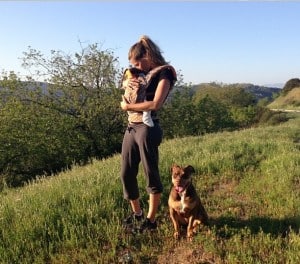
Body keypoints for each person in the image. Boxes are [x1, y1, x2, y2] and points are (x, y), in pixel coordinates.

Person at [120, 35, 177, 232]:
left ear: (148, 55)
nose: (135, 66)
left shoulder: (164, 74)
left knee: (150, 174)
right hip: (131, 127)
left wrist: (127, 106)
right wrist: (127, 86)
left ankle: (151, 221)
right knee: (126, 173)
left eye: (137, 62)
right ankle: (137, 213)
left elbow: (155, 104)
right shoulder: (138, 74)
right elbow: (127, 88)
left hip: (148, 128)